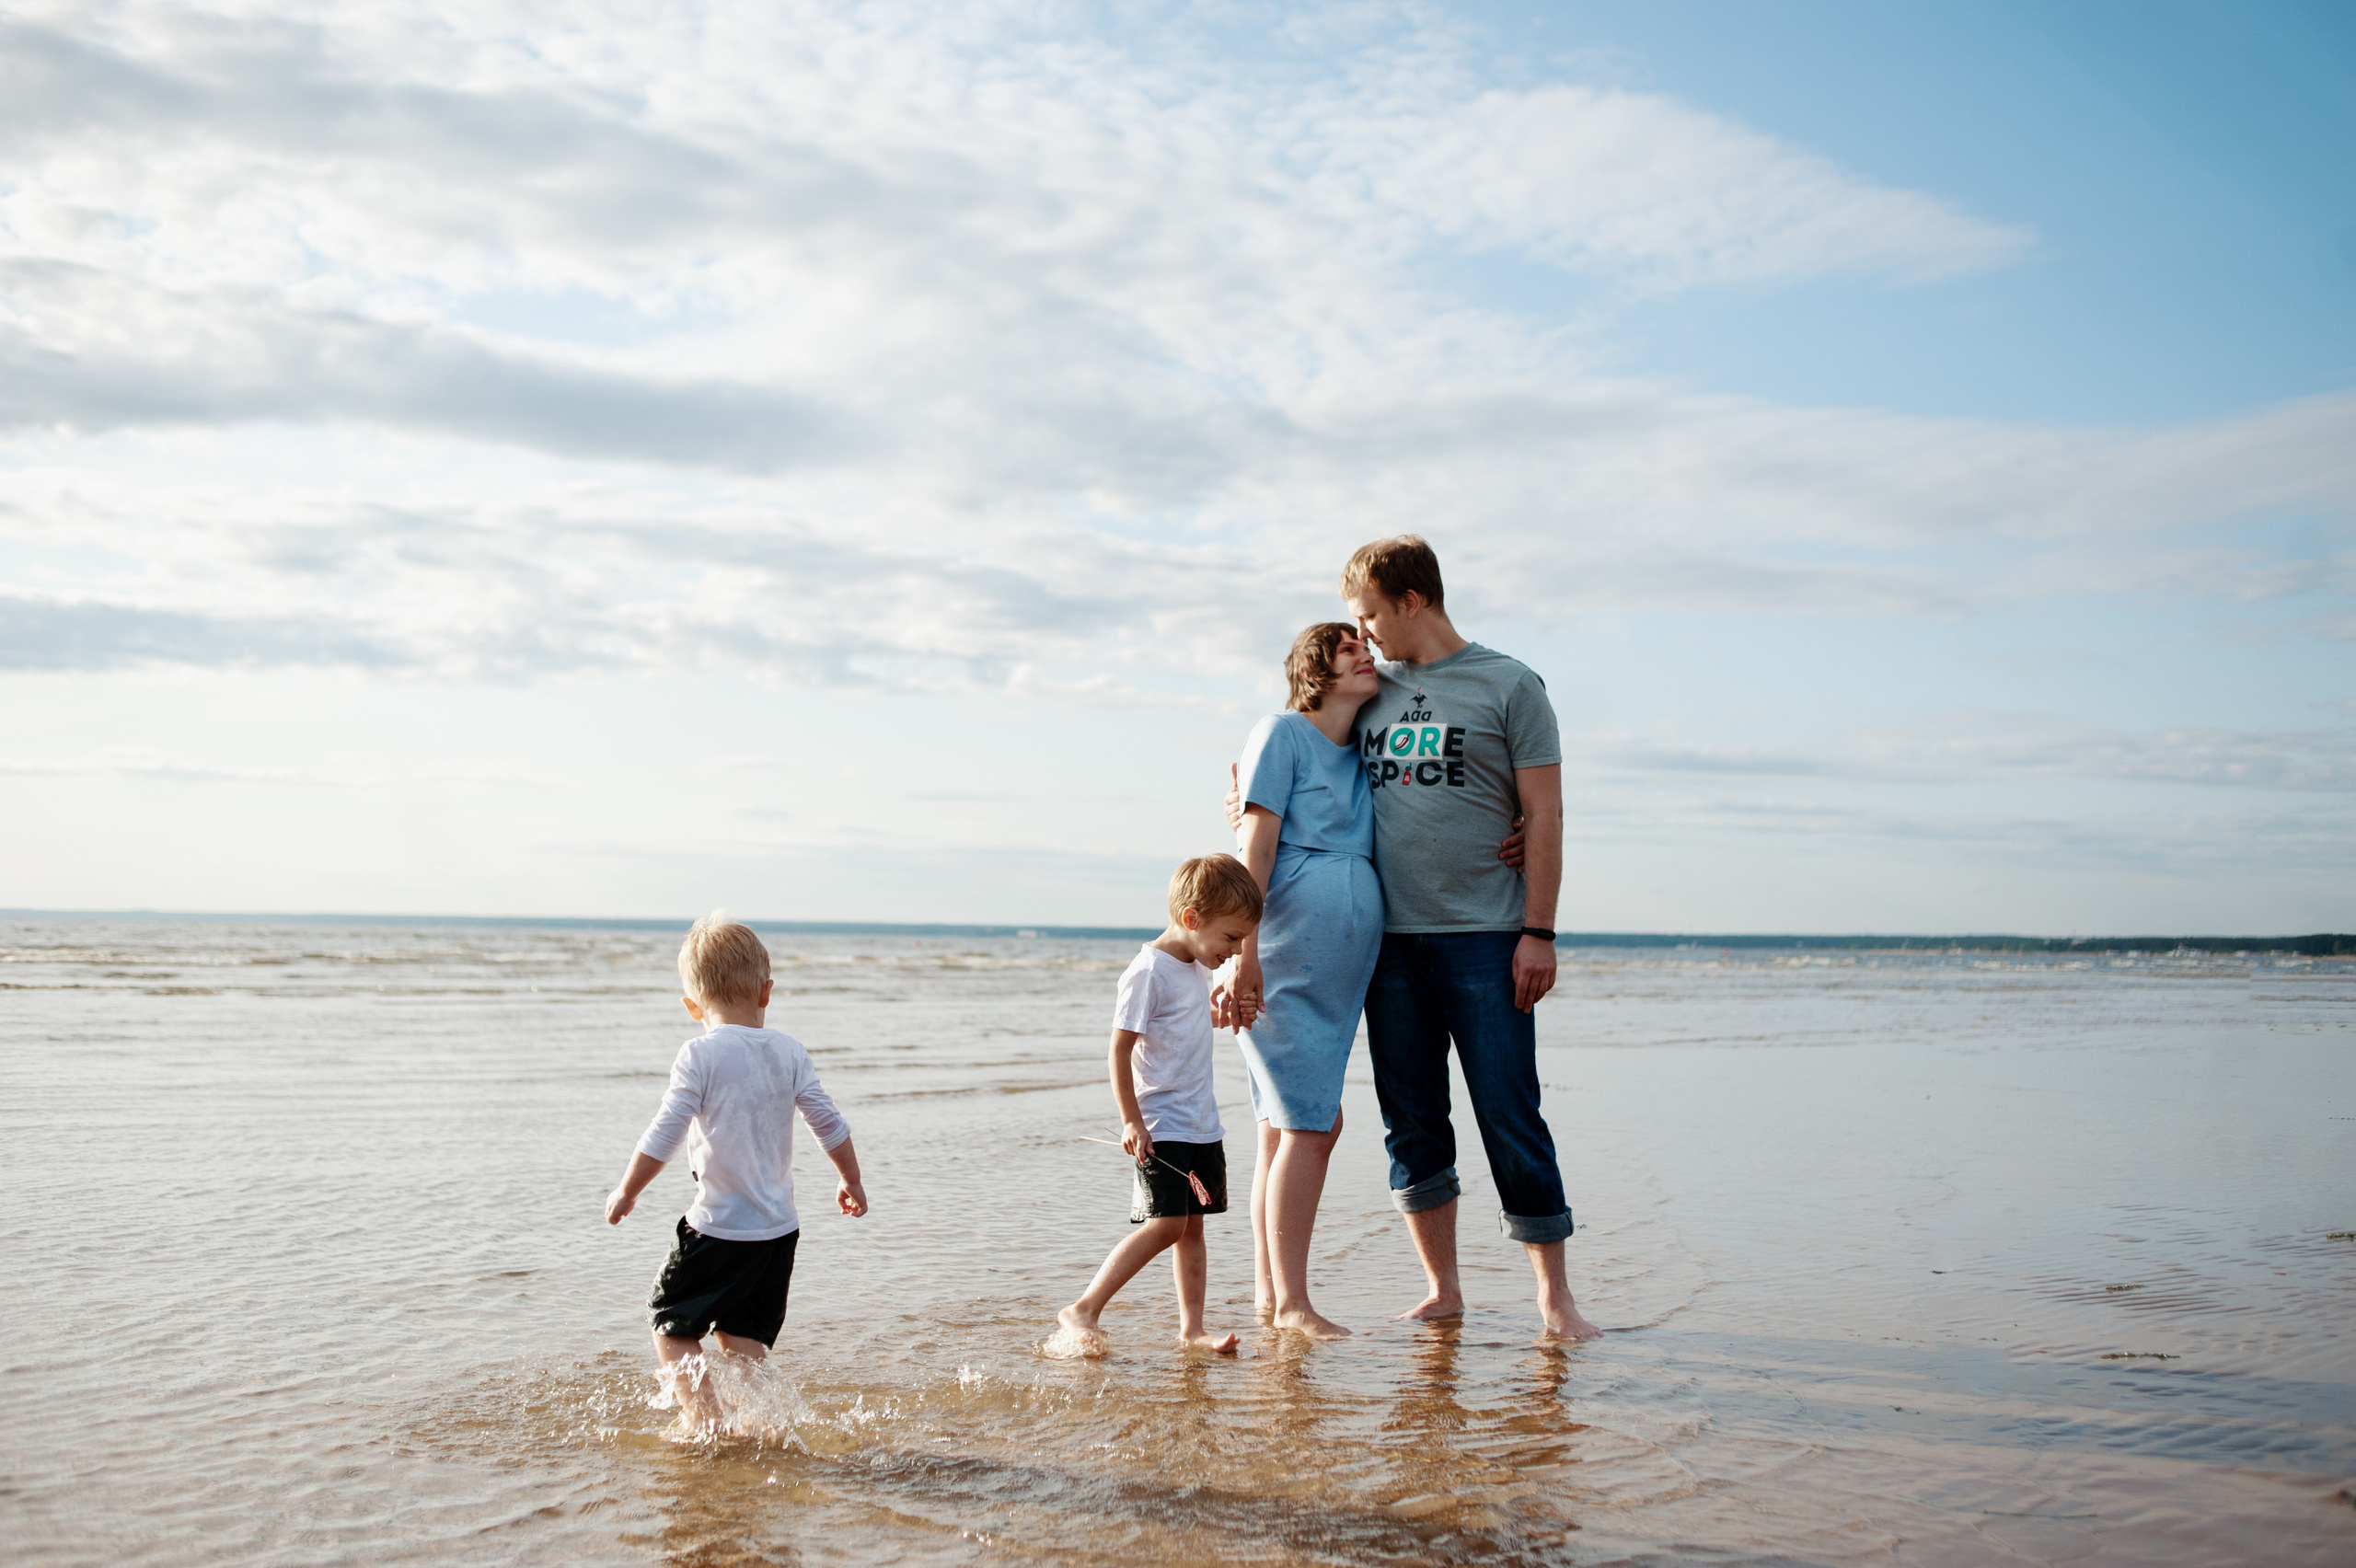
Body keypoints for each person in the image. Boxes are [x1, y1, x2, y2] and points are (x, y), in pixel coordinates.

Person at [1227, 536, 1602, 1341]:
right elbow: (1299, 766)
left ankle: (1556, 1300)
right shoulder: (1370, 689)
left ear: (1411, 601)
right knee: (1413, 1121)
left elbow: (1545, 815)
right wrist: (1244, 808)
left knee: (1510, 1112)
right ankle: (1443, 1290)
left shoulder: (1510, 684)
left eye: (1368, 616)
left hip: (1487, 935)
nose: (1361, 635)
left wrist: (1539, 930)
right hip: (1388, 949)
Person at [605, 914, 870, 1432]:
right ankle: (771, 1426)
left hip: (719, 1229)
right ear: (766, 992)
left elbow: (665, 1132)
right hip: (778, 1234)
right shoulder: (790, 1052)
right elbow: (828, 1123)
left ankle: (706, 1423)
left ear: (692, 1006)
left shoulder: (699, 1054)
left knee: (670, 1322)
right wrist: (851, 1180)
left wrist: (627, 1190)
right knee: (741, 1339)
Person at [1225, 622, 1385, 1340]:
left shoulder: (1364, 749)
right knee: (1311, 1125)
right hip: (1285, 955)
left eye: (1368, 648)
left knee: (1283, 1127)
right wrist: (1243, 953)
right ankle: (1293, 1303)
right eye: (1349, 649)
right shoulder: (1281, 733)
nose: (1366, 655)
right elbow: (1254, 849)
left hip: (1337, 976)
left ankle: (1270, 1296)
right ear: (1315, 671)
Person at [1055, 855, 1262, 1356]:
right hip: (1161, 1123)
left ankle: (1192, 1329)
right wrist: (1131, 1121)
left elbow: (1179, 1027)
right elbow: (1120, 1048)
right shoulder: (1148, 971)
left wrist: (1221, 1017)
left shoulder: (1194, 965)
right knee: (1167, 1224)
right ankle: (1083, 1308)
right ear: (1192, 919)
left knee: (1192, 1228)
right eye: (1231, 938)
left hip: (1201, 1123)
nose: (1237, 950)